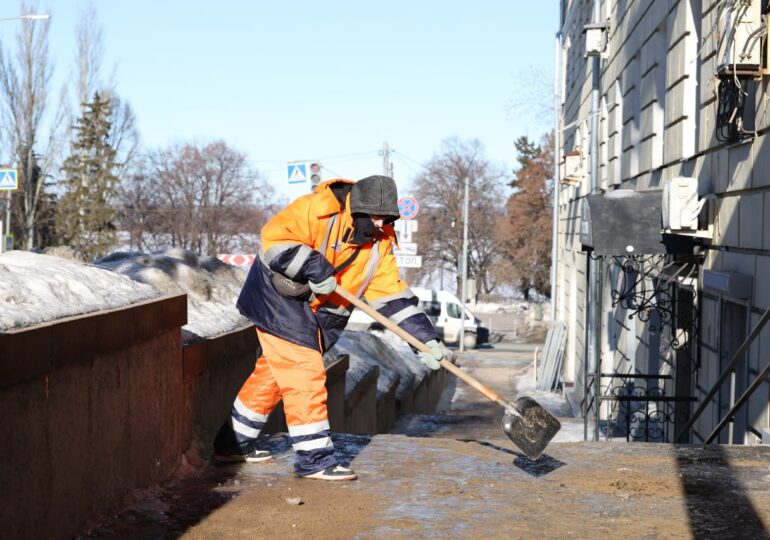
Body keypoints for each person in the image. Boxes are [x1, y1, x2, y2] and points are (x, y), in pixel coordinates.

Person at [213, 175, 442, 481]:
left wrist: (424, 339)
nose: (379, 224)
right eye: (374, 217)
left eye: (385, 218)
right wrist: (314, 266)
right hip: (279, 298)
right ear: (357, 208)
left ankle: (232, 443)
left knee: (274, 375)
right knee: (303, 372)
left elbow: (392, 298)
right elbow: (275, 239)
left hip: (316, 314)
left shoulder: (381, 243)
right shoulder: (318, 208)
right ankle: (315, 459)